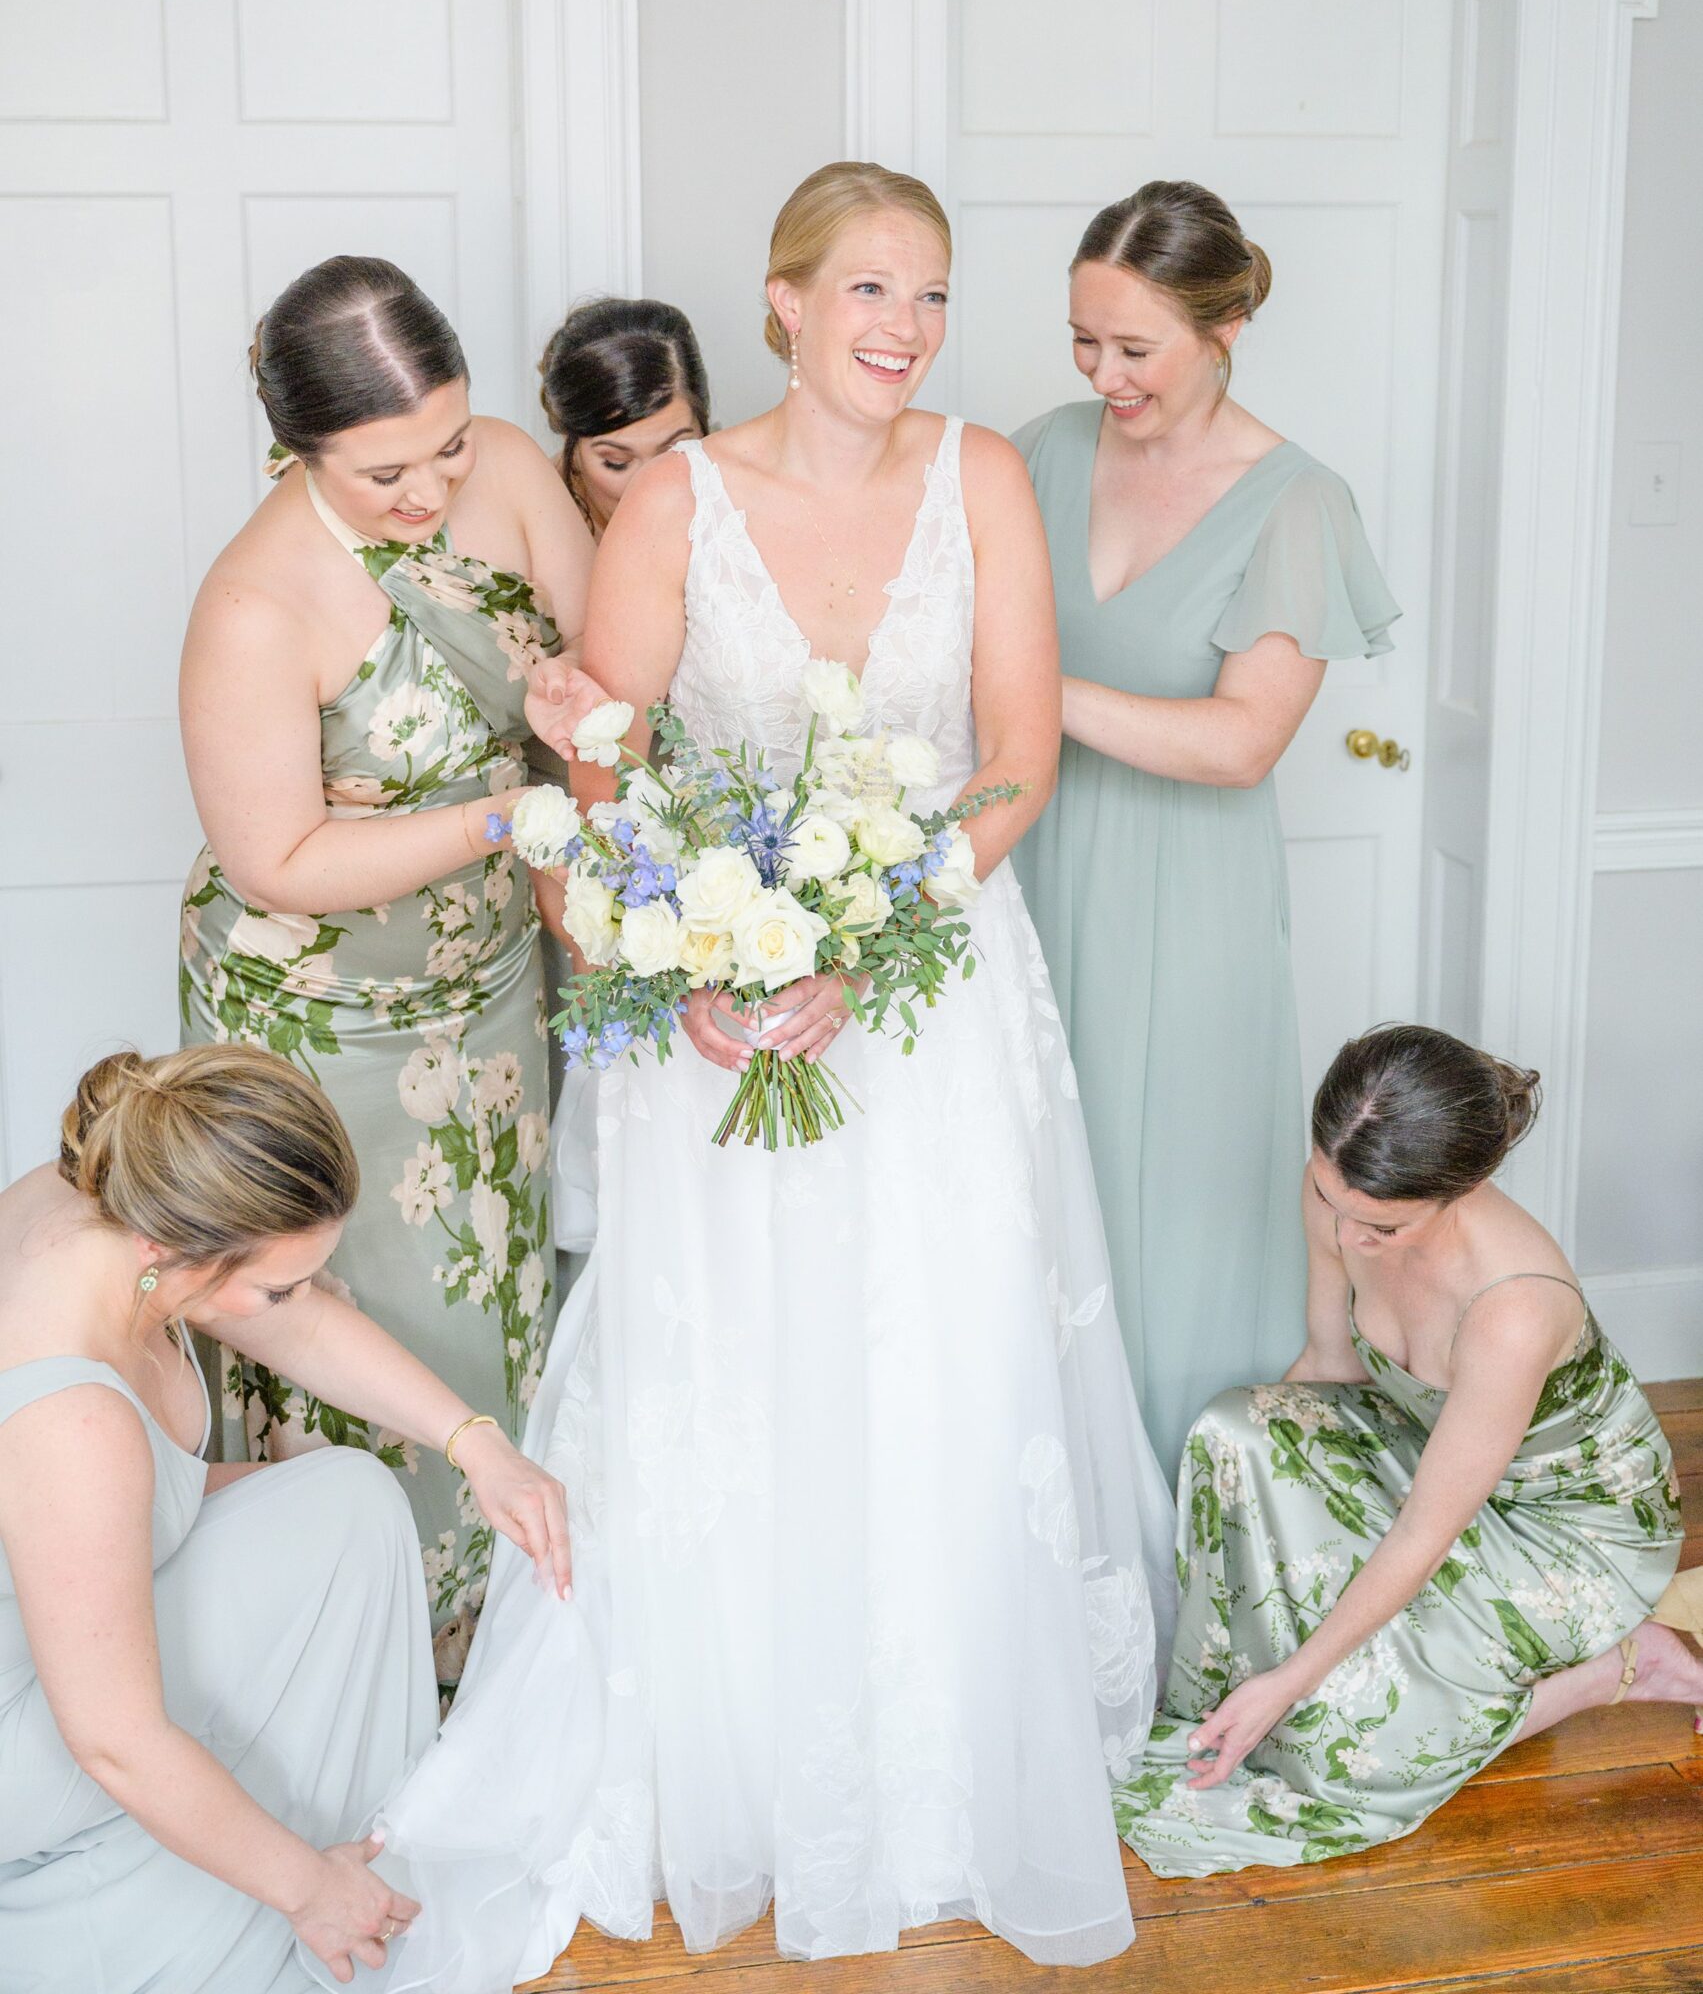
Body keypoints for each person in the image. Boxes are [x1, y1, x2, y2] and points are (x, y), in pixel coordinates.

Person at [367, 162, 1177, 1984]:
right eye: (869, 291)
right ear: (785, 303)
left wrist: (869, 928)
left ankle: (943, 1773)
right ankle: (731, 1759)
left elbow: (1015, 759)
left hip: (928, 998)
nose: (901, 329)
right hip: (710, 1020)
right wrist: (699, 958)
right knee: (735, 1361)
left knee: (939, 1354)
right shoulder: (670, 500)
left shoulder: (981, 481)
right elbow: (603, 770)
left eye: (933, 297)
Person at [178, 255, 593, 1674]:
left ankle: (508, 1643)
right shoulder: (255, 604)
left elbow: (604, 678)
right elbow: (278, 859)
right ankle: (374, 1663)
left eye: (449, 448)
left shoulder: (520, 477)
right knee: (351, 1319)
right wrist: (491, 812)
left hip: (488, 983)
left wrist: (572, 714)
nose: (429, 496)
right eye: (380, 475)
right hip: (320, 1020)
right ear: (296, 451)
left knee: (497, 1298)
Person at [0, 1045, 571, 1994]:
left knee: (345, 1504)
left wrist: (480, 1447)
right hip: (37, 1741)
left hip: (52, 1628)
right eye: (278, 1284)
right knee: (327, 1536)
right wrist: (307, 1890)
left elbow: (289, 1328)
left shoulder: (108, 1189)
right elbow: (114, 1739)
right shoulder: (73, 1419)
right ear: (170, 1253)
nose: (299, 1304)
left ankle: (338, 1842)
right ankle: (290, 1890)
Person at [1012, 182, 1399, 1473]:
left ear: (1224, 324)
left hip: (1184, 902)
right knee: (1024, 1182)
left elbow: (1239, 743)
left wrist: (1034, 693)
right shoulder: (1041, 452)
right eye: (1083, 340)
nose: (1100, 374)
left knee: (1163, 1202)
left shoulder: (1294, 502)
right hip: (1027, 870)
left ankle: (1183, 1519)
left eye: (1134, 349)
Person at [1114, 1023, 1698, 1876]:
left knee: (1319, 1747)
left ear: (1461, 1189)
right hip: (1439, 1460)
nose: (1348, 1239)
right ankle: (1363, 1674)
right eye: (1330, 1199)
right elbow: (1325, 1369)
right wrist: (1268, 1502)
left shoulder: (1512, 1306)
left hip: (1568, 1532)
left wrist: (1289, 1679)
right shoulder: (1343, 1193)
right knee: (1235, 1427)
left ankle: (1618, 1663)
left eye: (1381, 1229)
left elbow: (1425, 1534)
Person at [535, 297, 712, 1252]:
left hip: (724, 896)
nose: (650, 485)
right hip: (589, 910)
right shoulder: (548, 564)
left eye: (673, 447)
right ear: (568, 456)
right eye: (615, 461)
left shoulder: (738, 528)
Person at [539, 295, 711, 538]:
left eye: (675, 454)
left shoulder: (742, 496)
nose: (648, 488)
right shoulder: (538, 531)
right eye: (616, 462)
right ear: (572, 448)